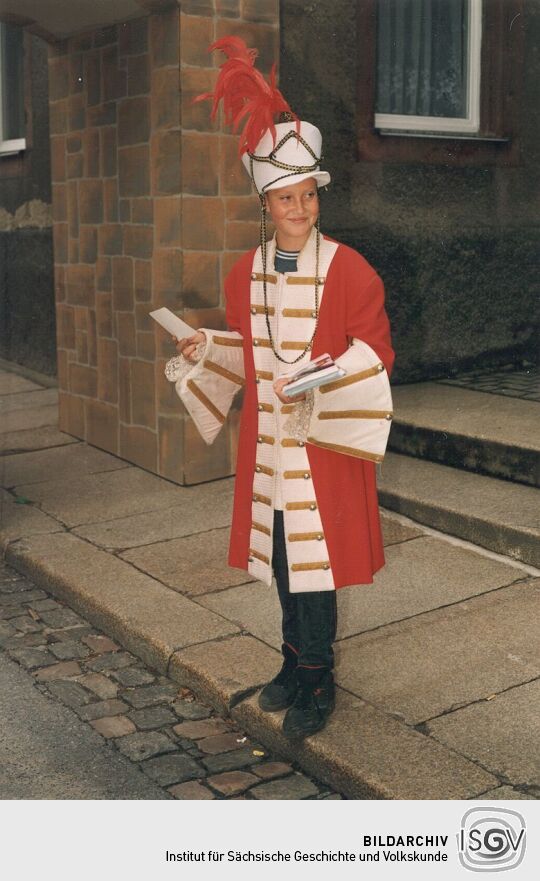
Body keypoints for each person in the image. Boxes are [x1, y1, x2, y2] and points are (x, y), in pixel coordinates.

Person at [164, 38, 394, 739]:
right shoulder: (244, 275)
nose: (298, 208)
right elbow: (253, 350)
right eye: (284, 198)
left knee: (317, 561)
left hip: (320, 439)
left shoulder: (351, 269)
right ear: (267, 202)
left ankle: (320, 677)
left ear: (317, 195)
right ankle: (292, 661)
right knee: (284, 554)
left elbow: (376, 353)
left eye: (306, 196)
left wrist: (322, 377)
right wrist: (209, 348)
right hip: (269, 441)